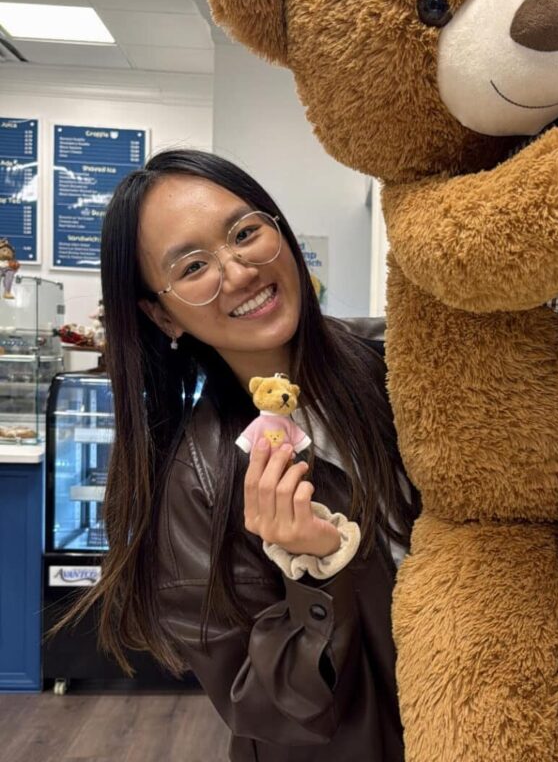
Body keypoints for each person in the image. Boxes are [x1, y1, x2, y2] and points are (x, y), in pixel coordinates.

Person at [76, 149, 418, 762]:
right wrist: (314, 574)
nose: (237, 272)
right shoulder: (198, 481)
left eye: (244, 233)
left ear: (279, 232)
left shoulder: (398, 360)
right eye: (194, 266)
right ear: (161, 314)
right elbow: (265, 709)